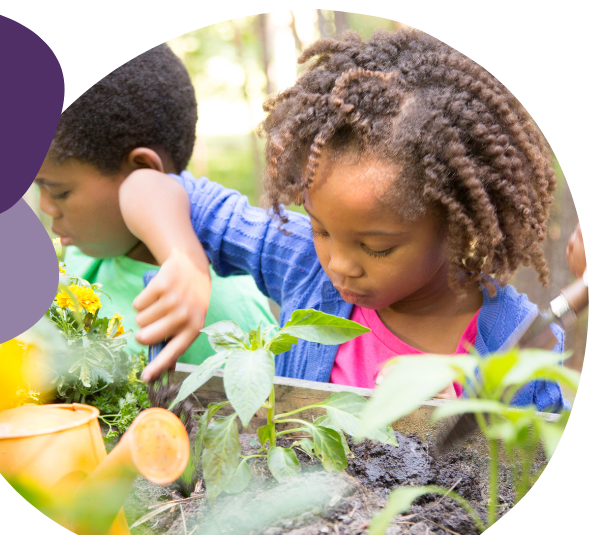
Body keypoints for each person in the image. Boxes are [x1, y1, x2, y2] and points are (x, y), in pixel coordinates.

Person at [119, 29, 570, 412]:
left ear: (459, 224)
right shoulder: (302, 264)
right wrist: (183, 259)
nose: (339, 264)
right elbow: (150, 186)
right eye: (320, 228)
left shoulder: (522, 344)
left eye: (376, 246)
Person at [34, 44, 276, 369]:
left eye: (59, 191)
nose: (46, 207)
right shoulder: (83, 263)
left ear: (142, 169)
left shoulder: (226, 319)